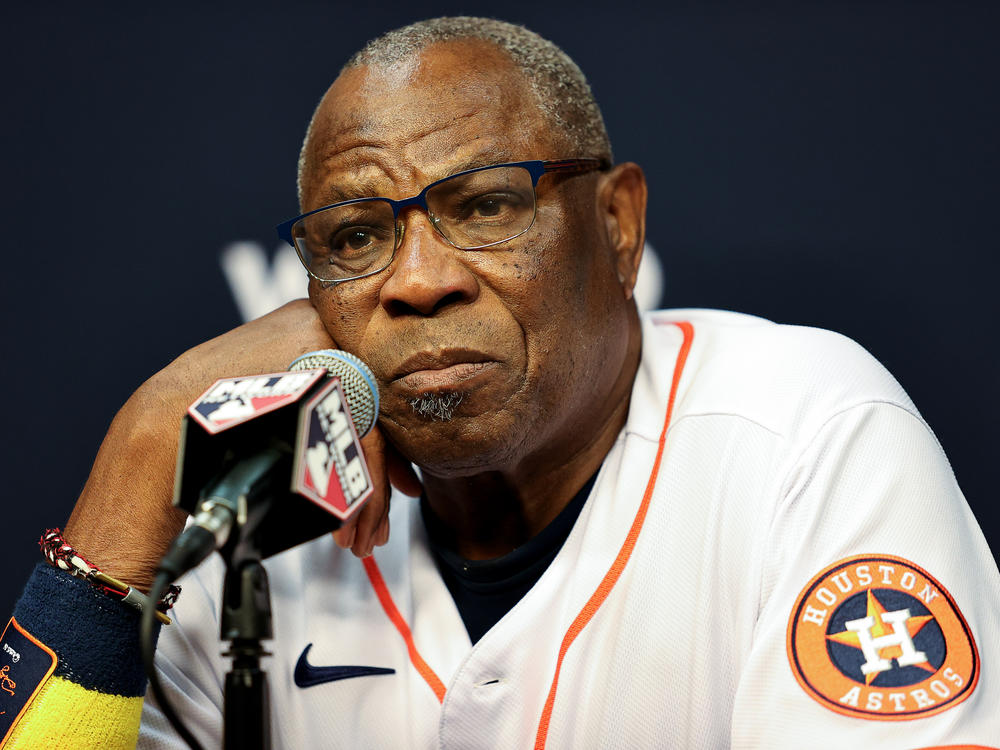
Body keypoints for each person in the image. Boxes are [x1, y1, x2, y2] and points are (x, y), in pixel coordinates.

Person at [3, 16, 998, 750]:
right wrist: (142, 452)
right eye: (357, 237)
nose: (419, 279)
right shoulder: (257, 515)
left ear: (616, 226)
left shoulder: (797, 434)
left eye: (484, 207)